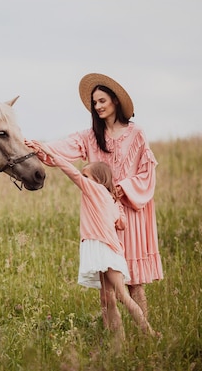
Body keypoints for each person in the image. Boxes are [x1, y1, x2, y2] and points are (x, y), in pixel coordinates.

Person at [25, 73, 163, 319]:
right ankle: (114, 335)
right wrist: (38, 147)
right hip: (102, 214)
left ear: (116, 102)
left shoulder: (136, 134)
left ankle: (144, 334)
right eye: (95, 103)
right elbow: (63, 148)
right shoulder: (90, 137)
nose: (98, 106)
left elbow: (146, 172)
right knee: (106, 280)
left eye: (102, 101)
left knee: (134, 279)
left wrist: (125, 187)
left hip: (130, 211)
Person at [29, 142, 156, 340]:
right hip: (100, 249)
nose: (83, 180)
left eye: (87, 176)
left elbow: (70, 171)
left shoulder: (94, 190)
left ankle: (149, 332)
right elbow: (121, 224)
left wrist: (47, 150)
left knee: (122, 295)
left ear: (97, 180)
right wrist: (115, 210)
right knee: (107, 298)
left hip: (105, 250)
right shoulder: (109, 199)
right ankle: (117, 341)